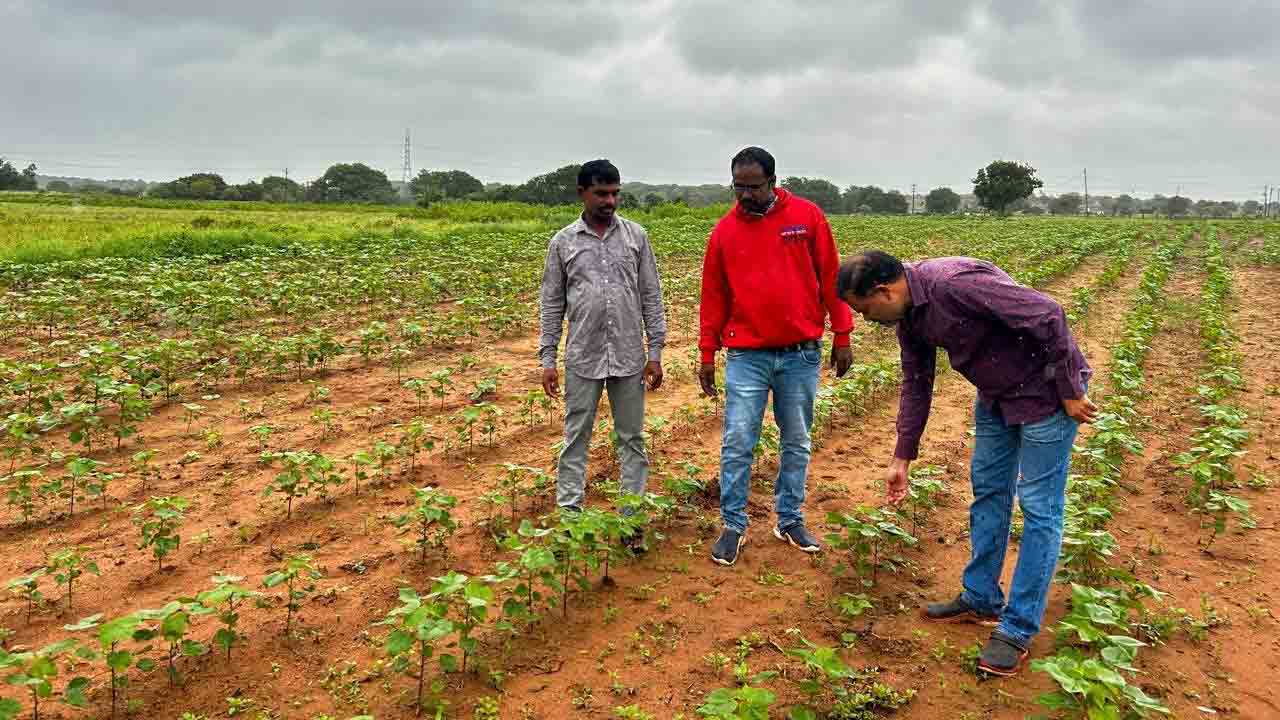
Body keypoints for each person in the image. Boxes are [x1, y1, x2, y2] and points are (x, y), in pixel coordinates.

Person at [836, 250, 1097, 677]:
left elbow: (1049, 313)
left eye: (866, 310)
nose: (867, 320)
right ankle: (980, 598)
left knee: (1039, 510)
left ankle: (1017, 629)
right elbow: (916, 382)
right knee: (989, 493)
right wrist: (902, 456)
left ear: (885, 290)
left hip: (1048, 397)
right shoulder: (911, 318)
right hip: (995, 395)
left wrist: (1069, 389)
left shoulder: (954, 285)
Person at [699, 146, 854, 567]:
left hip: (800, 353)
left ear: (772, 182)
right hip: (747, 354)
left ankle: (789, 518)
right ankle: (733, 524)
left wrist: (842, 331)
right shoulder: (724, 232)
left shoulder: (807, 218)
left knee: (797, 441)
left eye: (753, 187)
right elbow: (713, 297)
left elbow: (830, 276)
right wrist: (707, 352)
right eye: (738, 187)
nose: (744, 196)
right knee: (737, 441)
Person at [539, 159, 666, 541]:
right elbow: (551, 304)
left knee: (632, 440)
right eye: (601, 193)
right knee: (575, 438)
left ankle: (631, 522)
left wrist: (655, 350)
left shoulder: (636, 237)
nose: (610, 200)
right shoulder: (563, 242)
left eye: (615, 193)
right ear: (582, 193)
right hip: (583, 357)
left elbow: (650, 295)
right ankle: (570, 523)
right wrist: (548, 358)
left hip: (629, 356)